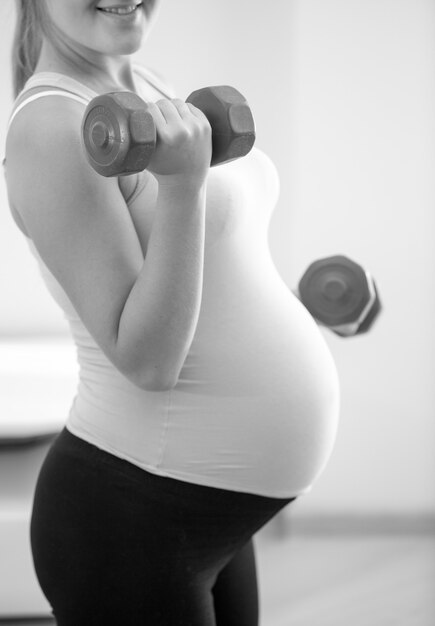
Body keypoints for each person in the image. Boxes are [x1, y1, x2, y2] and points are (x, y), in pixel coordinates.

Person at [4, 1, 340, 624]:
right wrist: (184, 186)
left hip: (206, 508)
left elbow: (204, 280)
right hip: (134, 514)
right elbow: (147, 358)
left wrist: (295, 312)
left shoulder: (144, 83)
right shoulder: (52, 130)